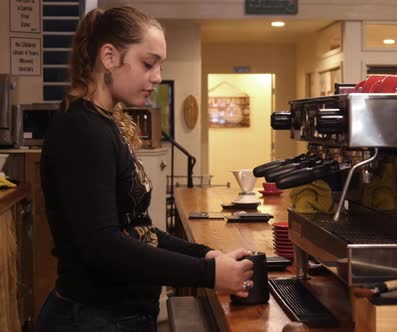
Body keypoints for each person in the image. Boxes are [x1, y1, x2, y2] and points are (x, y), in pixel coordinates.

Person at [36, 6, 254, 331]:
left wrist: (205, 255)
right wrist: (208, 275)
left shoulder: (104, 125)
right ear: (109, 57)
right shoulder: (81, 130)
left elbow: (140, 231)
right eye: (148, 63)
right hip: (94, 319)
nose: (156, 76)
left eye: (160, 65)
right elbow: (103, 245)